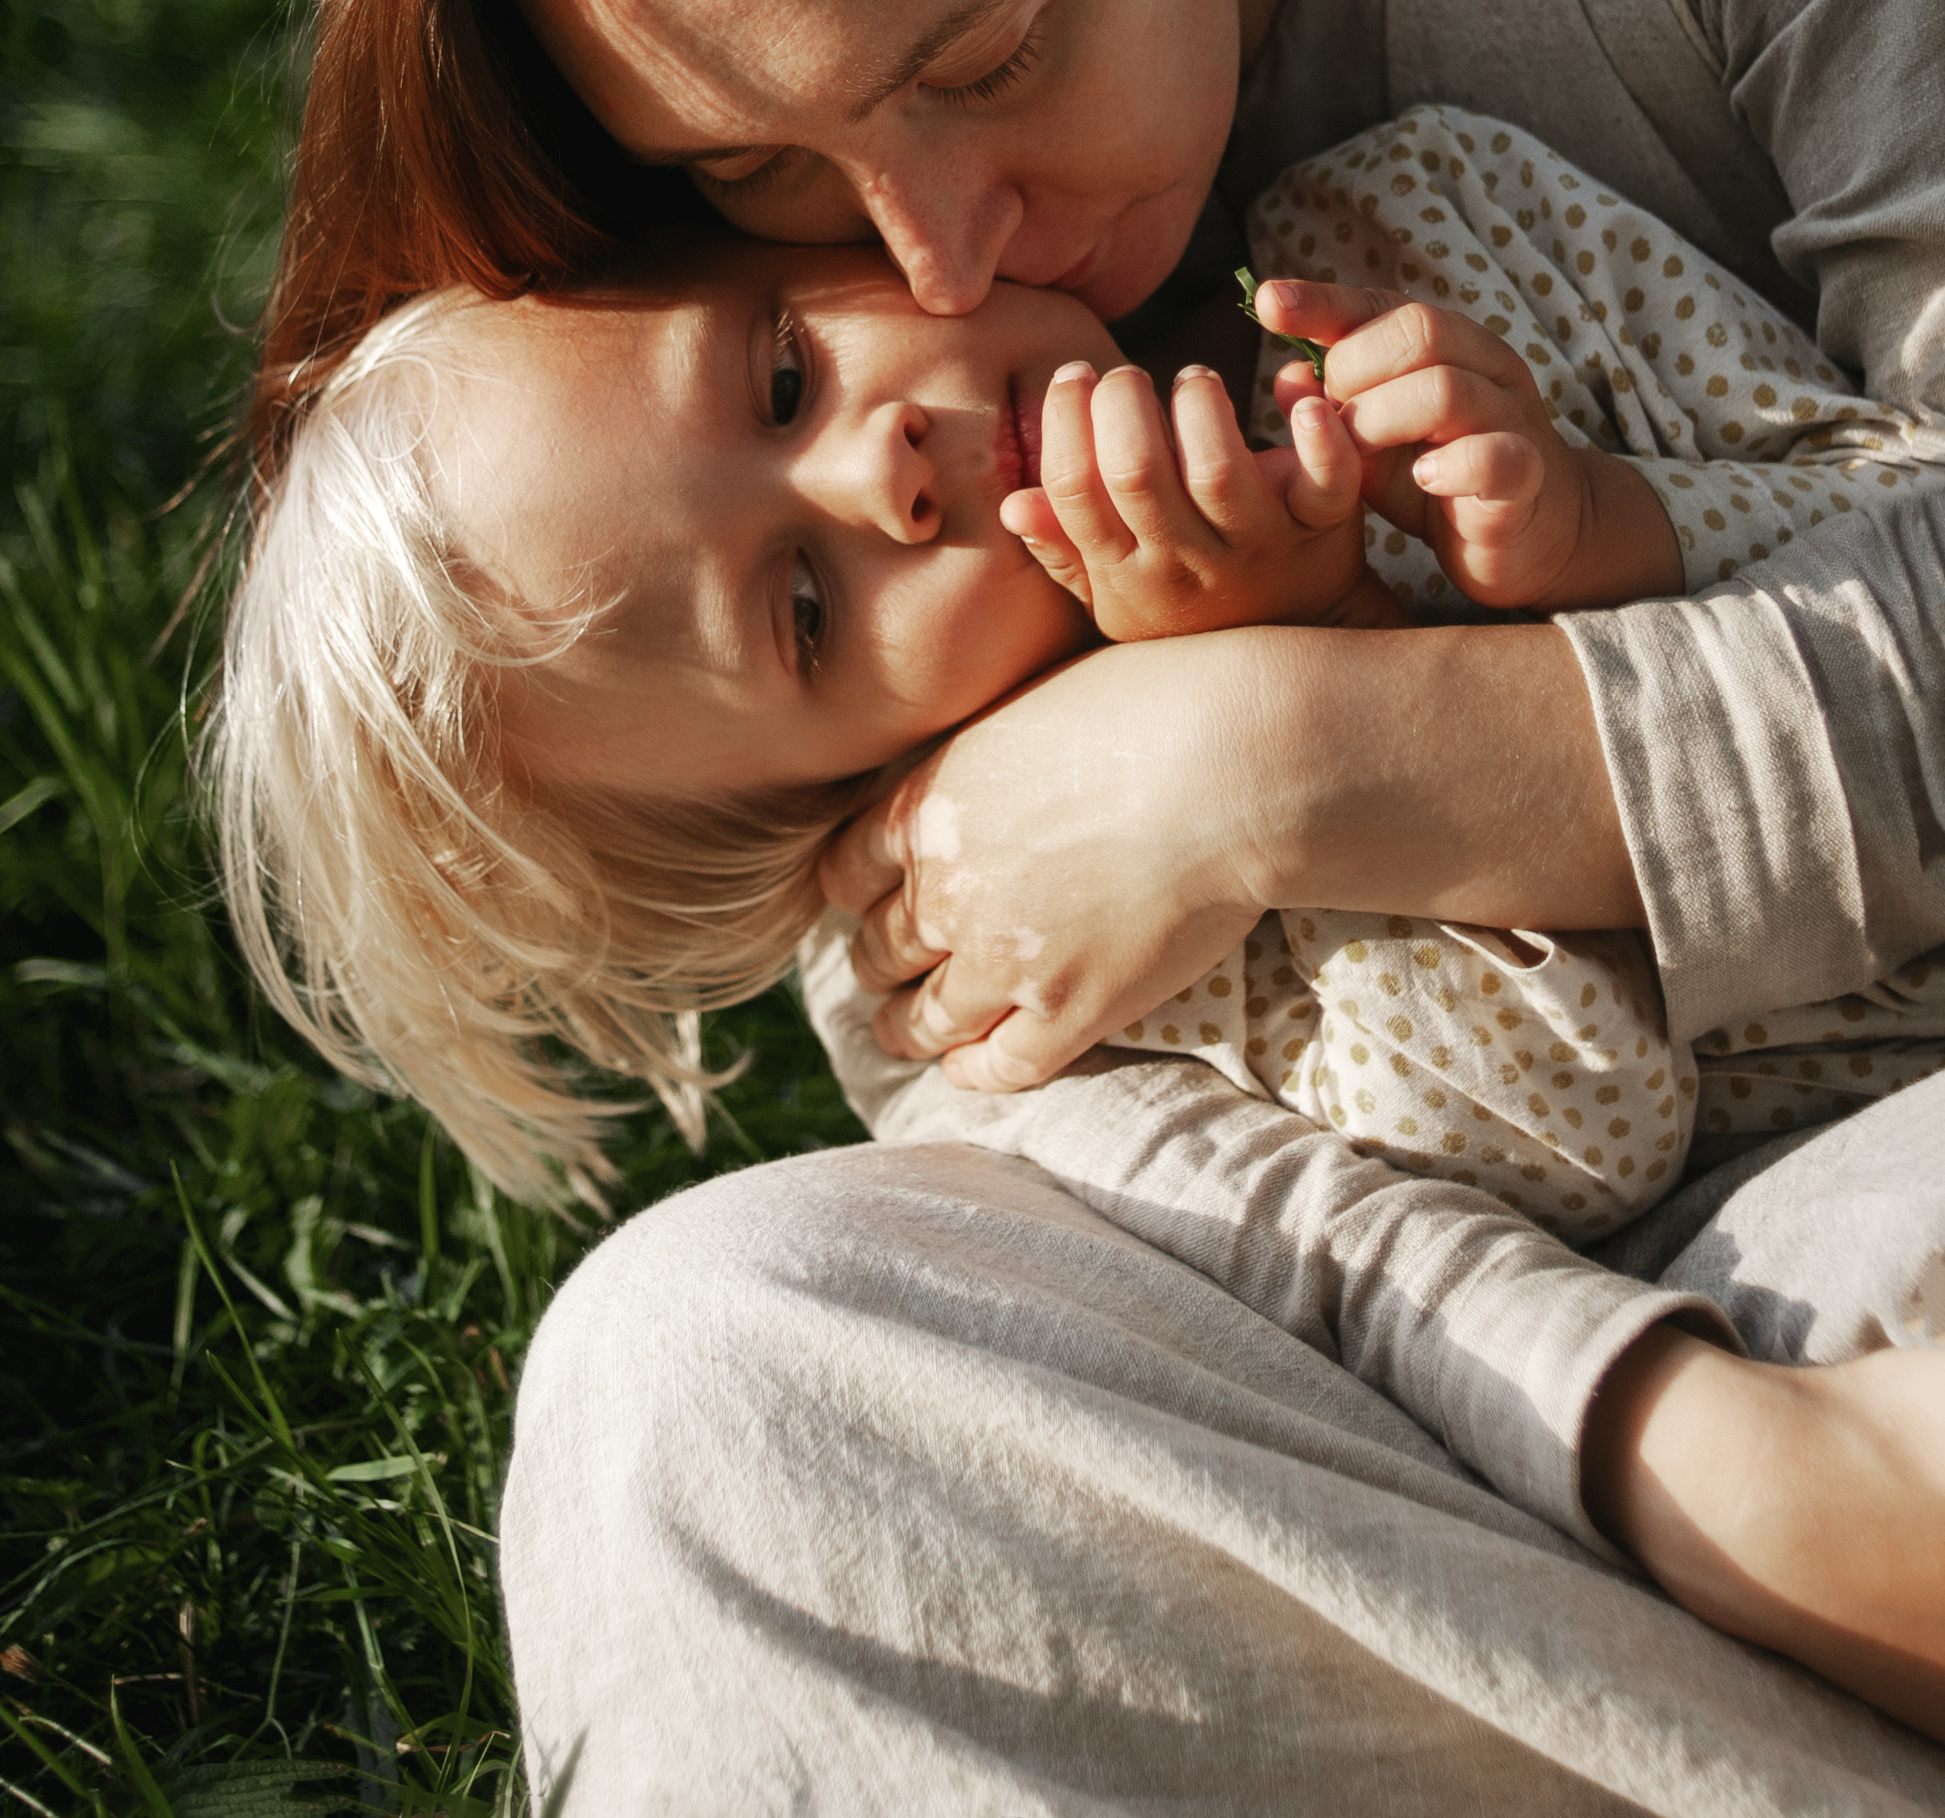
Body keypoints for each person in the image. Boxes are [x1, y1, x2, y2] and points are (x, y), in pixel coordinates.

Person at [251, 0, 1945, 1806]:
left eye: (982, 61)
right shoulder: (701, 463)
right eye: (753, 179)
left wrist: (1285, 744)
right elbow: (1057, 1126)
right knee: (690, 1384)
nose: (925, 259)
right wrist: (1654, 1434)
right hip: (1440, 1417)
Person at [217, 112, 1945, 1746]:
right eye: (804, 610)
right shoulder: (1054, 975)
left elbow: (1897, 488)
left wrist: (1599, 520)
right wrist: (1320, 642)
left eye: (781, 370)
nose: (877, 471)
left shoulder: (1416, 233)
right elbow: (1581, 1114)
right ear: (819, 801)